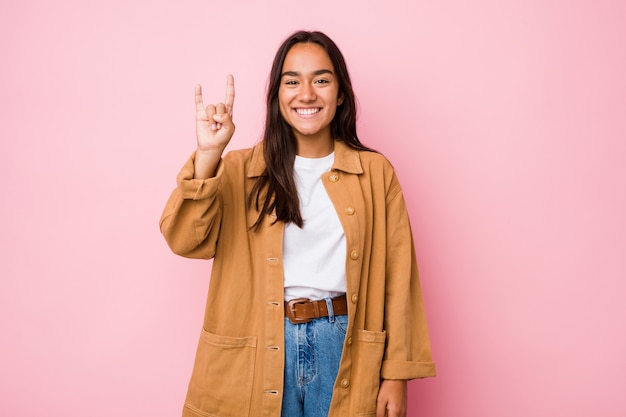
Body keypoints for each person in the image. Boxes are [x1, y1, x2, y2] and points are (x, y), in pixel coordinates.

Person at [160, 30, 436, 417]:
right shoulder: (239, 169)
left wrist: (396, 375)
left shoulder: (375, 173)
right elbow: (185, 239)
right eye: (292, 81)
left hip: (344, 345)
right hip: (260, 343)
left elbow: (399, 278)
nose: (306, 93)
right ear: (277, 96)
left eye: (321, 80)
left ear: (340, 94)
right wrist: (208, 155)